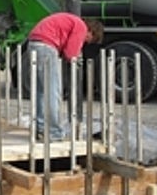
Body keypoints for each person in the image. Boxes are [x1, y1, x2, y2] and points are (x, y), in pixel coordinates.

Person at [27, 12, 103, 141]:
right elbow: (70, 53)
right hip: (46, 47)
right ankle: (53, 132)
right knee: (53, 91)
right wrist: (77, 58)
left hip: (34, 44)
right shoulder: (81, 27)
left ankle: (40, 128)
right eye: (89, 40)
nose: (86, 42)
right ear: (91, 32)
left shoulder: (72, 21)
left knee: (42, 91)